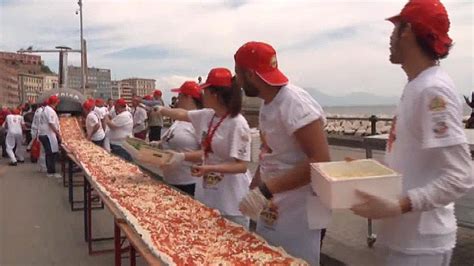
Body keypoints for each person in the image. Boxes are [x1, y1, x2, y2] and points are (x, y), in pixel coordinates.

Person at [349, 1, 474, 266]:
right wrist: (367, 170)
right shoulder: (417, 85)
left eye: (394, 29)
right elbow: (412, 159)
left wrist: (401, 205)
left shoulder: (433, 91)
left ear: (407, 31)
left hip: (419, 248)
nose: (390, 38)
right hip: (402, 240)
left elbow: (461, 175)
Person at [233, 42, 331, 265]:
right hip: (275, 204)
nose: (236, 80)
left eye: (238, 73)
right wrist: (254, 187)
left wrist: (265, 190)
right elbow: (270, 152)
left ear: (250, 75)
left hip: (301, 208)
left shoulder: (294, 103)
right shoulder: (268, 104)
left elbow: (321, 160)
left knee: (294, 260)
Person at [159, 68, 252, 227]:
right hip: (208, 194)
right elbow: (183, 114)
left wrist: (208, 167)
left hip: (231, 200)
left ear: (215, 94)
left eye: (206, 91)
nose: (203, 95)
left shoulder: (237, 123)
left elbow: (242, 166)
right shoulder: (208, 115)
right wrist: (161, 110)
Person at [158, 81, 202, 196]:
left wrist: (182, 156)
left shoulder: (199, 122)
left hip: (188, 182)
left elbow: (207, 153)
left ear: (188, 97)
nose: (178, 100)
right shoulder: (178, 119)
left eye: (180, 96)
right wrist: (158, 144)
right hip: (171, 179)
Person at [38, 95, 62, 179]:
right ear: (55, 102)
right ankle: (51, 172)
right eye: (57, 102)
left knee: (50, 153)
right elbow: (51, 123)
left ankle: (50, 170)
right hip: (47, 134)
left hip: (44, 133)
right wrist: (58, 134)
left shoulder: (46, 109)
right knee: (50, 153)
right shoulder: (50, 111)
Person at [31, 102, 46, 172]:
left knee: (39, 150)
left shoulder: (38, 110)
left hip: (35, 131)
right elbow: (40, 123)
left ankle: (40, 166)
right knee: (42, 151)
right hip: (38, 132)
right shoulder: (41, 112)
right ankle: (43, 167)